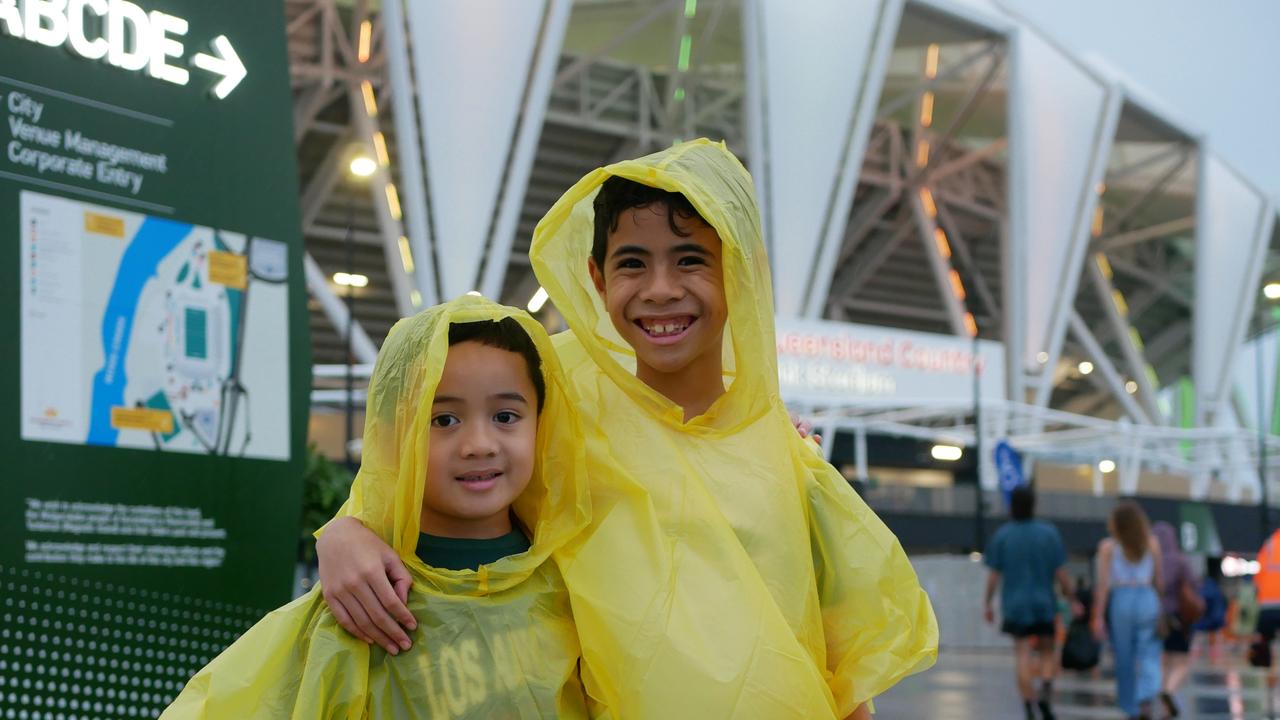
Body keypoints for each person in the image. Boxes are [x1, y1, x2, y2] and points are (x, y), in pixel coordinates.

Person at [316, 139, 938, 719]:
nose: (660, 291)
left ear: (739, 271)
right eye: (632, 263)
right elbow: (422, 459)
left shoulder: (787, 458)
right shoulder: (552, 400)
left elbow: (841, 668)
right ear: (596, 278)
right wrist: (344, 533)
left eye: (692, 259)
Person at [163, 296, 594, 717]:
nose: (479, 445)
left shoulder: (577, 579)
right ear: (392, 435)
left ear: (543, 423)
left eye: (505, 416)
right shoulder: (363, 599)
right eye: (443, 419)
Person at [983, 485, 1077, 720]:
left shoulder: (1003, 535)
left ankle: (1028, 705)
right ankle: (1045, 690)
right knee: (1047, 650)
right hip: (1044, 603)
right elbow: (1061, 574)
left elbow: (993, 576)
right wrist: (1071, 597)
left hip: (1015, 604)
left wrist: (987, 603)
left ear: (1011, 506)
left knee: (1022, 653)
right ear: (1034, 505)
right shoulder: (1049, 533)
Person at [1092, 501, 1164, 720]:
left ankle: (1129, 706)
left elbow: (1103, 585)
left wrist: (1097, 617)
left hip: (1122, 599)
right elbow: (1159, 581)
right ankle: (1146, 695)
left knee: (1124, 655)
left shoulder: (1108, 547)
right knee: (1149, 650)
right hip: (1147, 597)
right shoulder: (1152, 543)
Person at [1153, 521, 1198, 717]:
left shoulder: (1152, 561)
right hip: (1178, 616)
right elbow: (1193, 584)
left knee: (1163, 660)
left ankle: (1164, 701)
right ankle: (1169, 691)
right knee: (1180, 661)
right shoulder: (1180, 561)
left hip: (1157, 616)